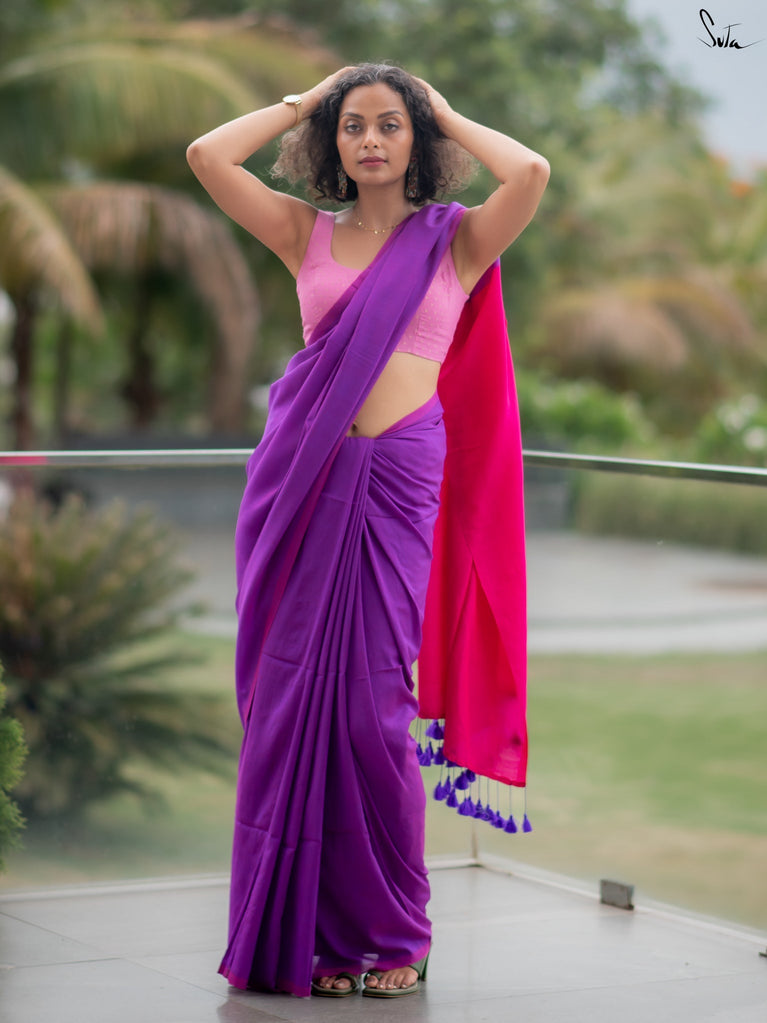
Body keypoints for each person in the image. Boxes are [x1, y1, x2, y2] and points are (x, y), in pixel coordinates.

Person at [186, 62, 549, 999]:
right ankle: (309, 934)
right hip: (300, 481)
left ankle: (395, 931)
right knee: (288, 707)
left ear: (416, 138)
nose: (371, 140)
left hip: (396, 479)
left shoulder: (456, 241)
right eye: (353, 125)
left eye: (391, 123)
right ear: (332, 142)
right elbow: (206, 156)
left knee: (371, 711)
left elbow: (531, 173)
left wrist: (445, 108)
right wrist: (305, 99)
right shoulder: (302, 231)